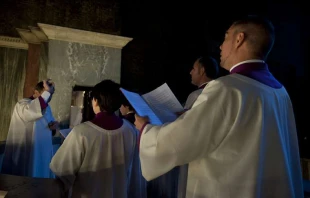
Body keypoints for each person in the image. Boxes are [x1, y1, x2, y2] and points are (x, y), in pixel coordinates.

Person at [134, 15, 303, 198]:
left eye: (225, 37)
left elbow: (181, 140)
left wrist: (146, 129)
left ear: (239, 39)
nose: (221, 46)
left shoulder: (228, 88)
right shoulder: (280, 92)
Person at [50, 79, 145, 198]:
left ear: (95, 101)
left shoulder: (81, 132)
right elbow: (135, 172)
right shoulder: (131, 130)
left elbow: (62, 170)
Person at [178, 56, 219, 198]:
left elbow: (185, 126)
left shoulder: (196, 95)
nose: (190, 72)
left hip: (194, 152)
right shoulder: (220, 91)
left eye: (194, 68)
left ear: (202, 71)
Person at [1, 79, 58, 178]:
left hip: (43, 154)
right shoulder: (22, 105)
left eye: (51, 95)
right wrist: (47, 92)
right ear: (36, 92)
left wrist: (53, 127)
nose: (49, 98)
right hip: (28, 155)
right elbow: (31, 112)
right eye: (46, 94)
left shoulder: (47, 108)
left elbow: (49, 127)